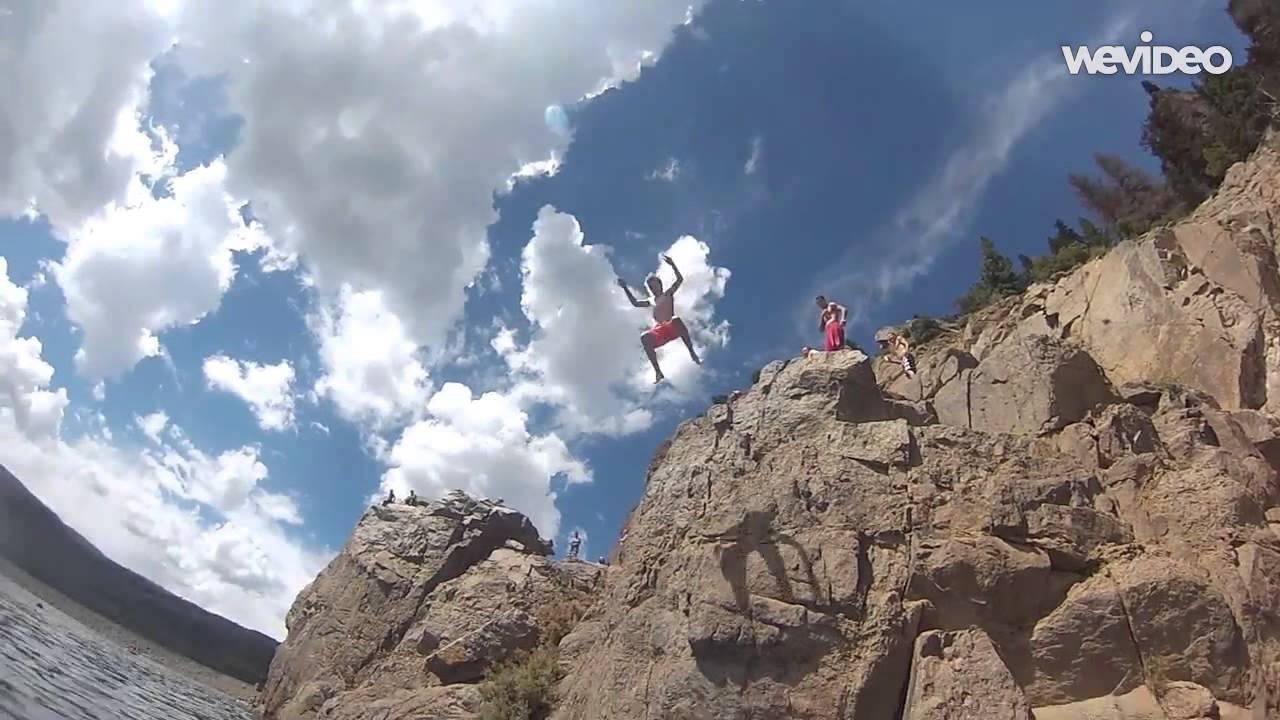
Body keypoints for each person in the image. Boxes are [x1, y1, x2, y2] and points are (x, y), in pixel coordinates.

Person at [618, 255, 701, 384]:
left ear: (660, 285)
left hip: (672, 326)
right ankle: (658, 371)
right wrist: (625, 288)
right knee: (644, 337)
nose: (653, 289)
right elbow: (635, 303)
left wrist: (672, 264)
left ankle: (692, 353)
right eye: (650, 287)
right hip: (661, 331)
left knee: (676, 319)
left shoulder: (668, 293)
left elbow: (680, 279)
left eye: (654, 285)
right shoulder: (651, 301)